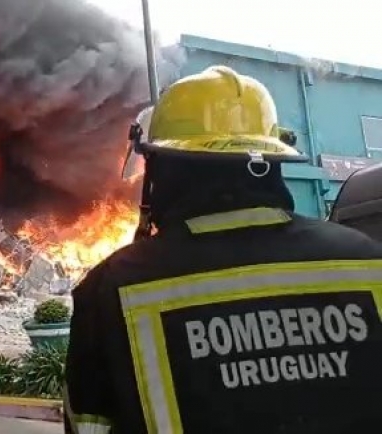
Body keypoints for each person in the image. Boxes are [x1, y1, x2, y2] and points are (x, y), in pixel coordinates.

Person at [63, 65, 382, 434]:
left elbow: (88, 429)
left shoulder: (111, 288)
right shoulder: (368, 261)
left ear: (162, 169)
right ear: (272, 160)